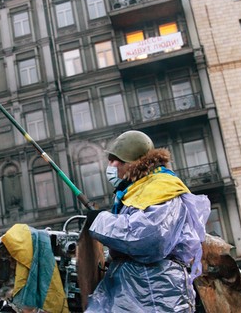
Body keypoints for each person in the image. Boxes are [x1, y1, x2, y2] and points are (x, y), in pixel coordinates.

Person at [83, 130, 210, 312]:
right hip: (137, 290)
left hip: (154, 293)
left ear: (132, 162)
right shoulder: (137, 190)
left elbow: (149, 239)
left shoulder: (161, 187)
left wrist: (101, 221)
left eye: (115, 160)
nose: (111, 166)